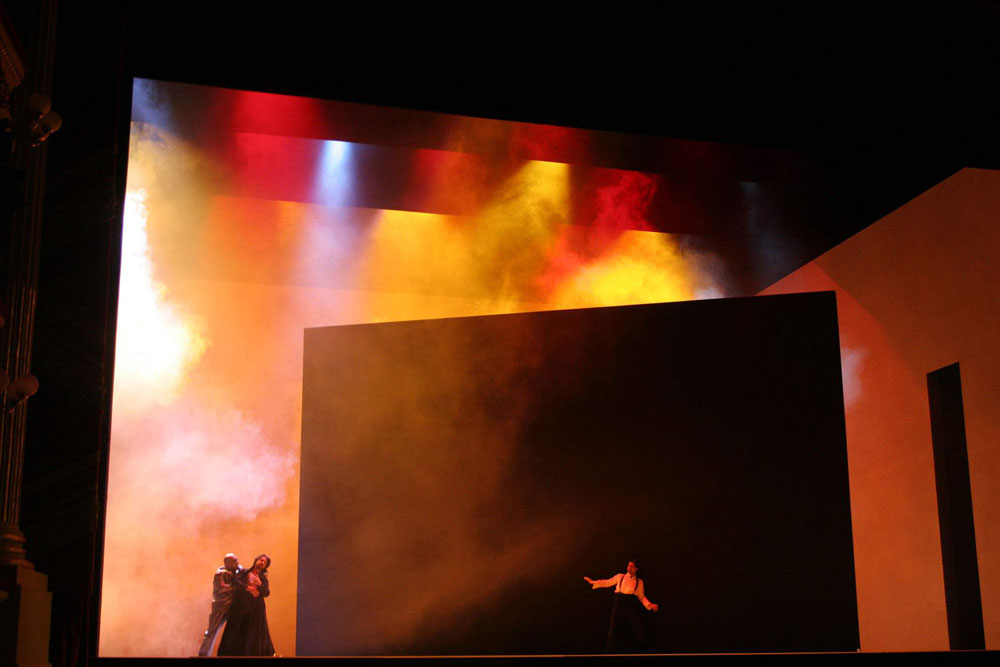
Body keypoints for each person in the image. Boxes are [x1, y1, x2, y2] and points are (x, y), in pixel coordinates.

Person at [584, 559, 658, 652]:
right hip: (619, 603)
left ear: (636, 569)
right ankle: (610, 651)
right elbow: (607, 582)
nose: (629, 568)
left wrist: (650, 605)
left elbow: (641, 597)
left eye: (632, 566)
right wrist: (594, 582)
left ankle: (641, 650)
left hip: (631, 604)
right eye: (628, 566)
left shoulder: (639, 582)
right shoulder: (620, 577)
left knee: (636, 626)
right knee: (614, 627)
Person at [217, 553, 276, 656]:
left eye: (265, 562)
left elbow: (266, 593)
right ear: (256, 560)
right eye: (261, 560)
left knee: (253, 635)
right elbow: (234, 581)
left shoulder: (262, 578)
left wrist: (259, 584)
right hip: (240, 608)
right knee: (237, 633)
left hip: (255, 611)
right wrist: (248, 588)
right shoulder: (244, 572)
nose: (262, 562)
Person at [197, 553, 243, 656]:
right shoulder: (220, 574)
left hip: (233, 607)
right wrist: (235, 587)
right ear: (228, 563)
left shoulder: (237, 571)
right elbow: (222, 588)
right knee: (212, 631)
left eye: (237, 560)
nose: (237, 562)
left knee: (236, 632)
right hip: (221, 607)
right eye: (234, 561)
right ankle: (204, 654)